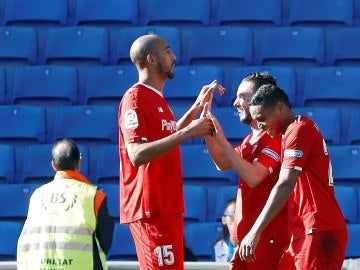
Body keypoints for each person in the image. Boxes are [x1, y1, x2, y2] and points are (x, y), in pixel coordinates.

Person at [118, 34, 224, 270]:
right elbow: (136, 153)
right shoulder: (134, 99)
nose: (174, 57)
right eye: (167, 51)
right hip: (151, 207)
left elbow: (169, 134)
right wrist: (188, 133)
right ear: (152, 59)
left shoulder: (158, 100)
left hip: (167, 205)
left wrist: (196, 108)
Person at [240, 84, 348, 269]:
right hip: (303, 229)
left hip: (318, 227)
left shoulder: (298, 130)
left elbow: (285, 184)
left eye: (262, 119)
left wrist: (254, 232)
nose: (261, 126)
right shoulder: (289, 132)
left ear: (280, 108)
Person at [204, 72, 289, 269]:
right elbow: (222, 163)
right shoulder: (250, 140)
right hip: (247, 243)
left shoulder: (274, 135)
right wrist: (206, 122)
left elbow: (253, 177)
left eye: (242, 97)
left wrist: (222, 140)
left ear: (260, 98)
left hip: (268, 241)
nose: (235, 102)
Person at [17, 138, 114, 270]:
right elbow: (105, 241)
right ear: (79, 164)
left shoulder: (37, 195)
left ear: (54, 166)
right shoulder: (94, 196)